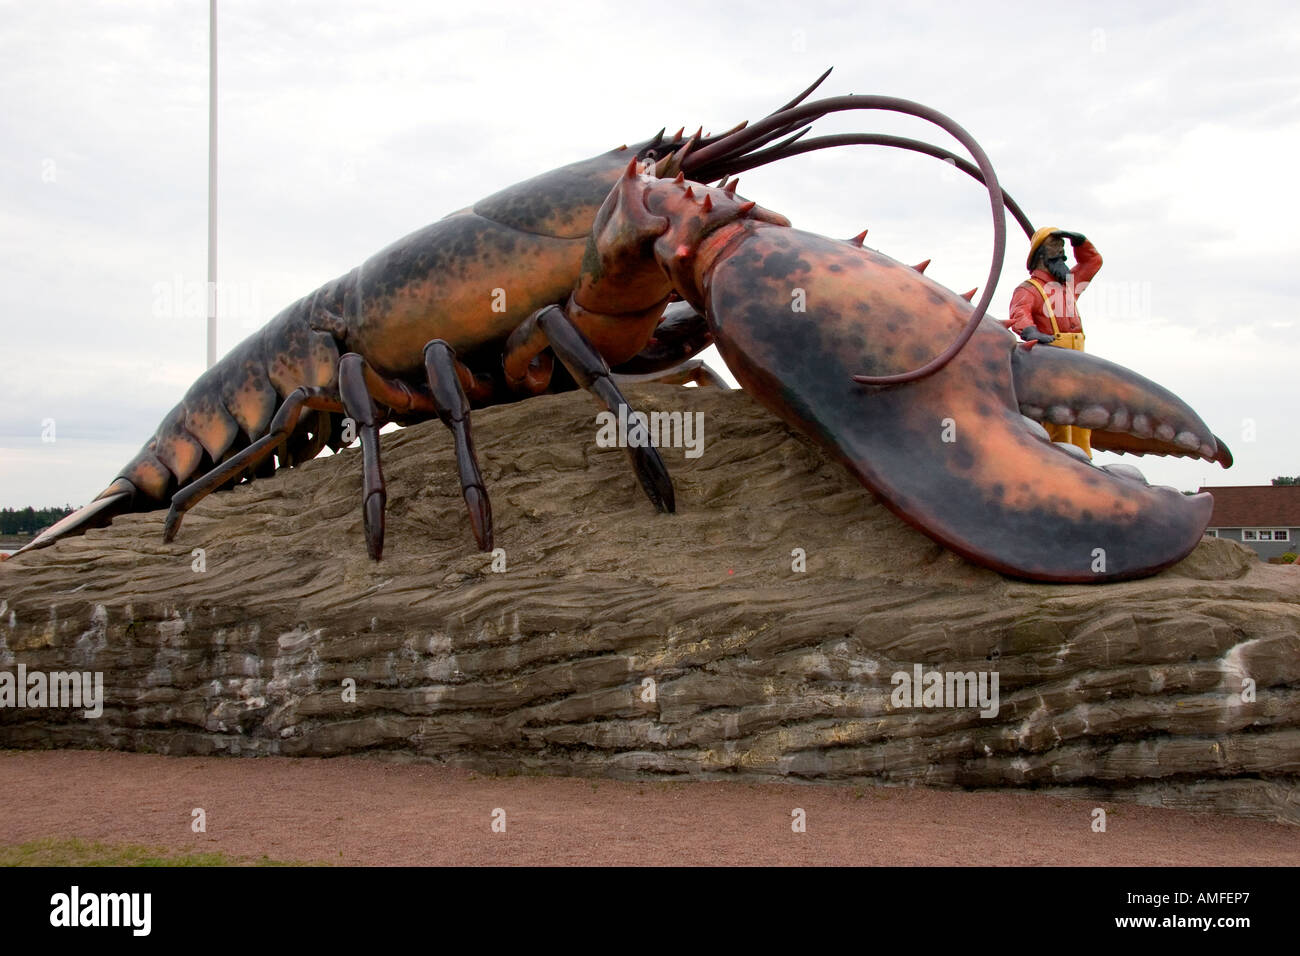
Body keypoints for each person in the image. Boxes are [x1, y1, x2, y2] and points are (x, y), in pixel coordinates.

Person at [1006, 226, 1102, 457]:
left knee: (1080, 418)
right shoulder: (1029, 289)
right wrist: (1030, 331)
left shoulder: (1069, 286)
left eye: (1063, 249)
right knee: (1058, 419)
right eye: (1055, 250)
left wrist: (1081, 243)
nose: (1063, 255)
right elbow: (1019, 312)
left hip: (1078, 362)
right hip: (1052, 363)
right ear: (1040, 255)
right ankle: (1060, 462)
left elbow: (1093, 262)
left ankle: (1084, 461)